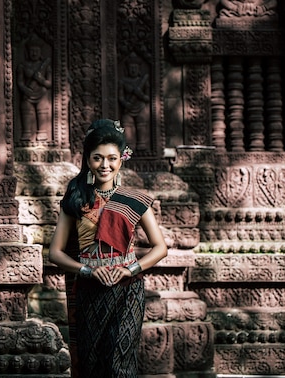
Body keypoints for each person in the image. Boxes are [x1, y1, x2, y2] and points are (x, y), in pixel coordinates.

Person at [48, 119, 167, 377]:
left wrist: (130, 269)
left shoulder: (135, 200)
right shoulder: (76, 199)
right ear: (88, 160)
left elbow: (160, 248)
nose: (105, 165)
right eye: (98, 158)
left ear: (122, 159)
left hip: (127, 289)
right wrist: (87, 271)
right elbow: (55, 252)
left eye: (112, 158)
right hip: (90, 290)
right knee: (92, 364)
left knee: (120, 364)